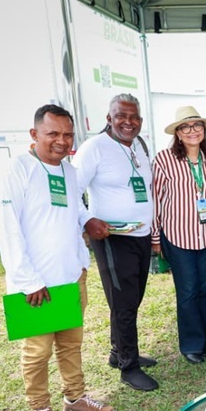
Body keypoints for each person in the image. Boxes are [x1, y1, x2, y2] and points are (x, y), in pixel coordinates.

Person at [0, 104, 114, 411]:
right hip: (36, 283)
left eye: (67, 135)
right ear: (34, 135)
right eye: (53, 134)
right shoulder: (18, 169)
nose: (61, 141)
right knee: (37, 351)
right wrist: (28, 280)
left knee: (71, 344)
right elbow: (6, 228)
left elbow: (75, 208)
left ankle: (74, 398)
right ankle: (39, 408)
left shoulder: (69, 171)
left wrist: (87, 220)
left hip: (71, 275)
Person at [74, 93, 159, 392]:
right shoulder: (94, 148)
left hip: (141, 234)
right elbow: (73, 189)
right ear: (109, 118)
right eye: (121, 116)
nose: (128, 122)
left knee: (132, 299)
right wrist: (87, 220)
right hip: (112, 238)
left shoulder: (139, 145)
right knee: (123, 303)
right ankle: (129, 367)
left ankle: (117, 352)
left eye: (134, 117)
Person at [151, 106, 206, 364]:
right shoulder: (164, 159)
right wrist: (155, 236)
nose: (193, 131)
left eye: (197, 126)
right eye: (186, 127)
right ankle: (191, 344)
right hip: (178, 235)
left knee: (203, 289)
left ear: (204, 130)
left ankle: (205, 340)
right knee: (188, 289)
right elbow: (156, 199)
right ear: (178, 133)